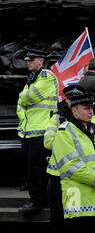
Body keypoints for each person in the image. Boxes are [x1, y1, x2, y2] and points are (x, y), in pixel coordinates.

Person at [52, 92, 95, 221]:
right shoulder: (64, 132)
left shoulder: (91, 131)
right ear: (74, 110)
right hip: (77, 201)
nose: (91, 111)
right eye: (86, 108)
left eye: (92, 108)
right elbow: (71, 166)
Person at [17, 49, 59, 214]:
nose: (28, 62)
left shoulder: (46, 76)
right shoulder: (31, 79)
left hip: (42, 131)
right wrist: (23, 114)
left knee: (37, 171)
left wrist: (23, 98)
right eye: (28, 60)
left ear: (41, 61)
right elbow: (20, 105)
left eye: (32, 60)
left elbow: (27, 97)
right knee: (32, 170)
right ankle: (39, 199)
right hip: (28, 131)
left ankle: (36, 202)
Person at [44, 85, 84, 222]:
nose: (73, 102)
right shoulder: (57, 118)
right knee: (57, 214)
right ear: (66, 100)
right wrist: (66, 145)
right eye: (70, 99)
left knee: (74, 214)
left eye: (77, 99)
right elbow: (48, 141)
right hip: (58, 176)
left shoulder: (88, 119)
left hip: (77, 175)